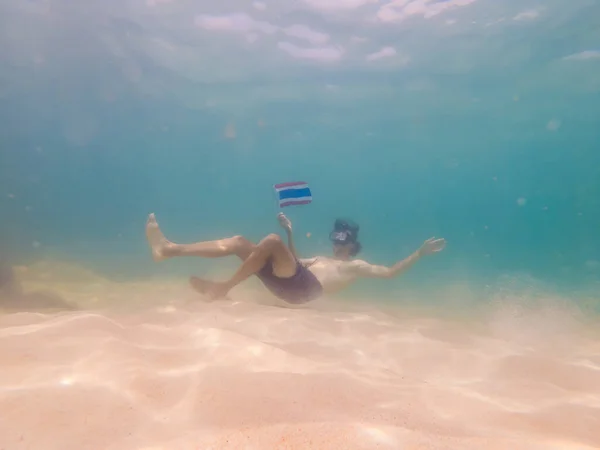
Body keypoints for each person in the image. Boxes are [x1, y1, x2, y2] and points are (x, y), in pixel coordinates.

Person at [145, 212, 446, 304]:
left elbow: (390, 273)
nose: (338, 242)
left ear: (354, 246)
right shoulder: (320, 258)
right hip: (291, 281)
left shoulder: (355, 265)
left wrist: (419, 253)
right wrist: (290, 231)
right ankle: (169, 249)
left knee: (271, 242)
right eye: (336, 237)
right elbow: (295, 261)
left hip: (303, 292)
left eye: (344, 239)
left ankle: (222, 288)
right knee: (239, 242)